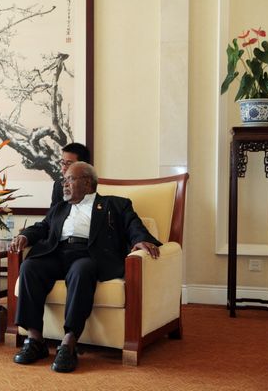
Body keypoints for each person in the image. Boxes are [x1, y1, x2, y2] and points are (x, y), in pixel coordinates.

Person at [9, 162, 161, 373]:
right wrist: (25, 236)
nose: (64, 184)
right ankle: (35, 340)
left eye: (70, 179)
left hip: (88, 254)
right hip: (57, 253)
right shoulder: (60, 208)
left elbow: (133, 225)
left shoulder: (114, 204)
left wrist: (141, 240)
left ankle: (69, 342)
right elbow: (42, 227)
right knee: (29, 267)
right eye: (64, 180)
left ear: (87, 183)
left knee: (81, 271)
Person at [50, 143, 91, 208]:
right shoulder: (58, 185)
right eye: (63, 163)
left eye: (69, 163)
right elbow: (53, 212)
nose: (64, 168)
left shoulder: (93, 186)